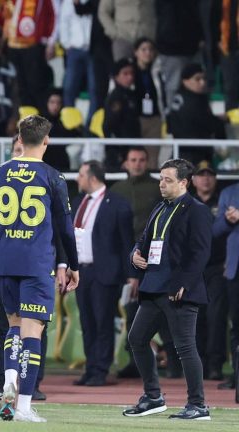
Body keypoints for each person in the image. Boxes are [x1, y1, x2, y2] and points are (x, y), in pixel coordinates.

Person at [0, 115, 80, 423]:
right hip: (37, 264)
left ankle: (8, 379)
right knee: (33, 333)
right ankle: (23, 405)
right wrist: (72, 264)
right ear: (46, 141)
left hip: (4, 263)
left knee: (14, 327)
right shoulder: (52, 176)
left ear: (19, 138)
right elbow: (65, 229)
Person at [124, 159, 212, 420]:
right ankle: (153, 397)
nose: (162, 183)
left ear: (184, 183)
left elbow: (200, 253)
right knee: (137, 339)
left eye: (168, 180)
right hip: (153, 287)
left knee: (185, 346)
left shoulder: (197, 210)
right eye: (161, 178)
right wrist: (134, 255)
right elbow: (143, 241)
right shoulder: (160, 207)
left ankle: (198, 405)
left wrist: (183, 283)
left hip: (178, 289)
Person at [72, 160, 134, 387]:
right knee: (87, 323)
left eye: (80, 174)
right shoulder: (79, 202)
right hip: (81, 273)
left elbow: (127, 242)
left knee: (103, 323)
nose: (77, 179)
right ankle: (90, 368)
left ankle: (101, 370)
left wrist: (132, 275)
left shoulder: (117, 203)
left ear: (92, 178)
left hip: (105, 273)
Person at [110, 146, 163, 378]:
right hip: (121, 259)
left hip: (152, 259)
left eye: (142, 159)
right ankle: (135, 360)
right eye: (133, 160)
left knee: (153, 310)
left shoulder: (157, 188)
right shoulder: (116, 189)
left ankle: (165, 360)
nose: (138, 164)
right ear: (126, 163)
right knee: (128, 312)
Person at [192, 164, 230, 381]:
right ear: (193, 180)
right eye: (201, 175)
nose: (206, 179)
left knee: (216, 317)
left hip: (217, 267)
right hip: (193, 270)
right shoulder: (187, 202)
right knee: (194, 318)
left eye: (210, 175)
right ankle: (198, 365)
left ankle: (215, 364)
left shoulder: (223, 201)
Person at [167, 63, 226, 165]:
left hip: (182, 151)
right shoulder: (193, 101)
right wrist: (222, 121)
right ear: (185, 81)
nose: (202, 82)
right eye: (197, 79)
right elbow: (206, 122)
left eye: (203, 79)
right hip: (194, 154)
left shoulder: (178, 97)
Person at [212, 174, 239, 392]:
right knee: (236, 326)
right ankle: (237, 376)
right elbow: (216, 230)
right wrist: (228, 220)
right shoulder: (229, 192)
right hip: (235, 269)